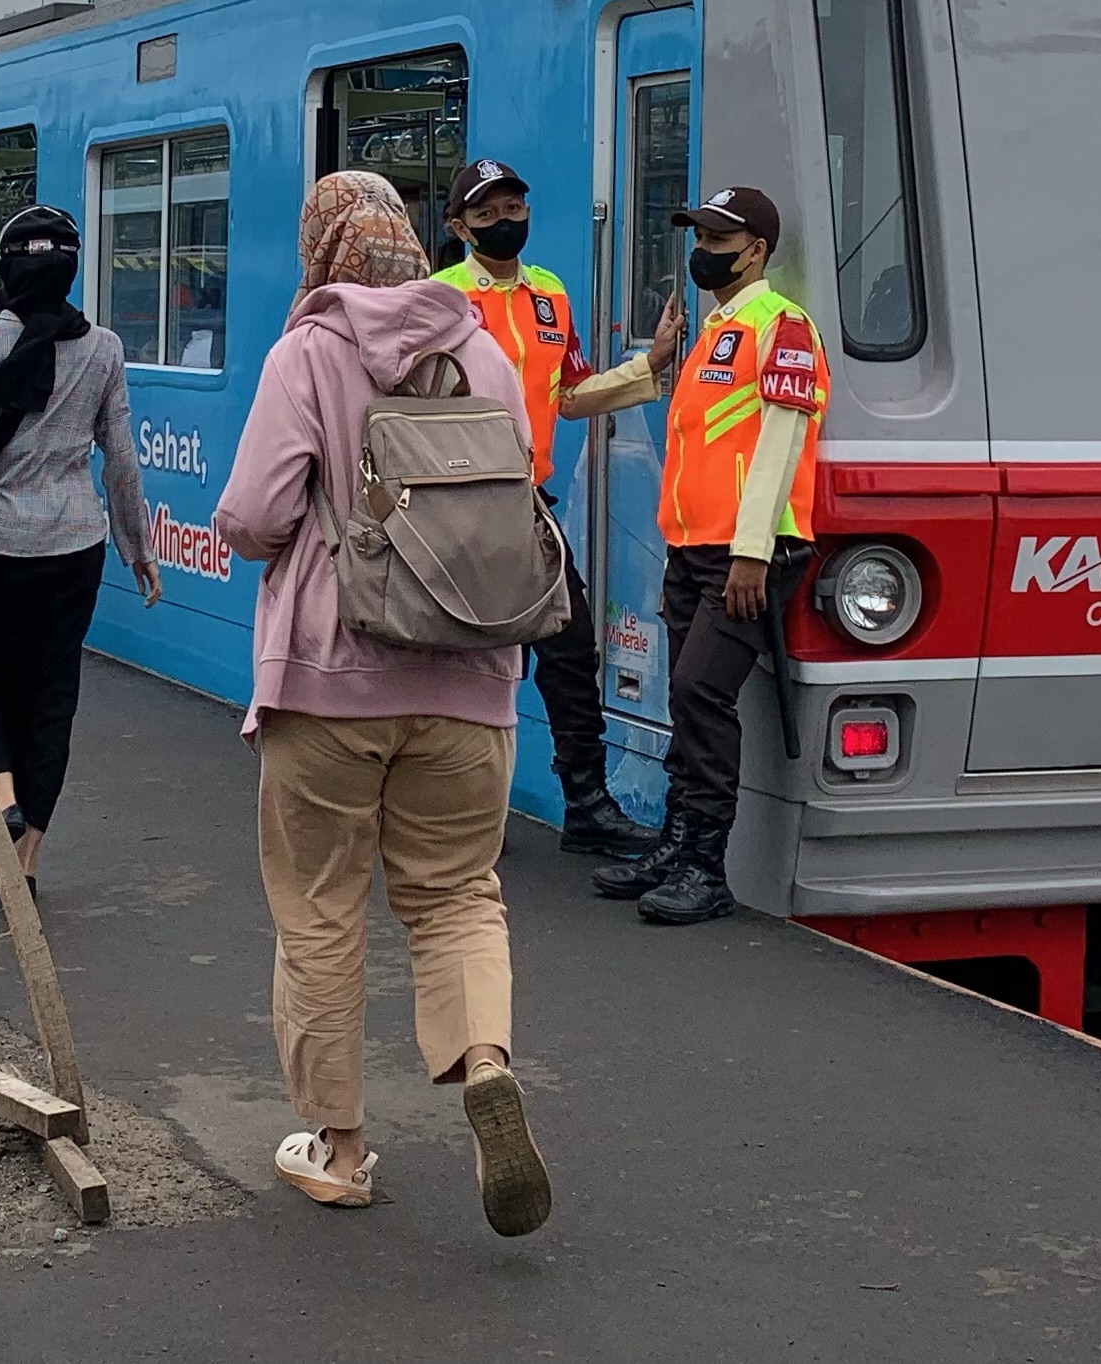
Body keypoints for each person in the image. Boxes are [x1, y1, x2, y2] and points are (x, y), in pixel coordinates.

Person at [214, 171, 552, 1231]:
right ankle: (485, 1063)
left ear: (322, 247)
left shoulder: (309, 349)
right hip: (471, 682)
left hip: (331, 678)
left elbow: (259, 513)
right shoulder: (484, 346)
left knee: (320, 913)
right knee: (457, 893)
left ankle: (340, 1144)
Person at [566, 186, 825, 926]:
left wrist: (751, 553)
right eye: (699, 235)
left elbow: (781, 438)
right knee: (687, 697)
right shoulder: (716, 329)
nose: (703, 251)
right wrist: (657, 359)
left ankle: (707, 868)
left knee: (702, 694)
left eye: (717, 239)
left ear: (756, 251)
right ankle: (677, 849)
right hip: (695, 549)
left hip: (749, 554)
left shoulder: (784, 325)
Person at [0, 203, 162, 891]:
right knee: (53, 695)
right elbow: (120, 460)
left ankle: (0, 801)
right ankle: (24, 858)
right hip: (75, 544)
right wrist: (138, 547)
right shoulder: (104, 349)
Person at [433, 157, 659, 862]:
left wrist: (651, 368)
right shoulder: (437, 298)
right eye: (488, 213)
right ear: (458, 226)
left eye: (514, 208)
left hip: (528, 501)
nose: (506, 222)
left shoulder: (550, 294)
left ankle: (586, 804)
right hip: (461, 503)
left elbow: (569, 392)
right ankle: (443, 810)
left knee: (567, 647)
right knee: (462, 658)